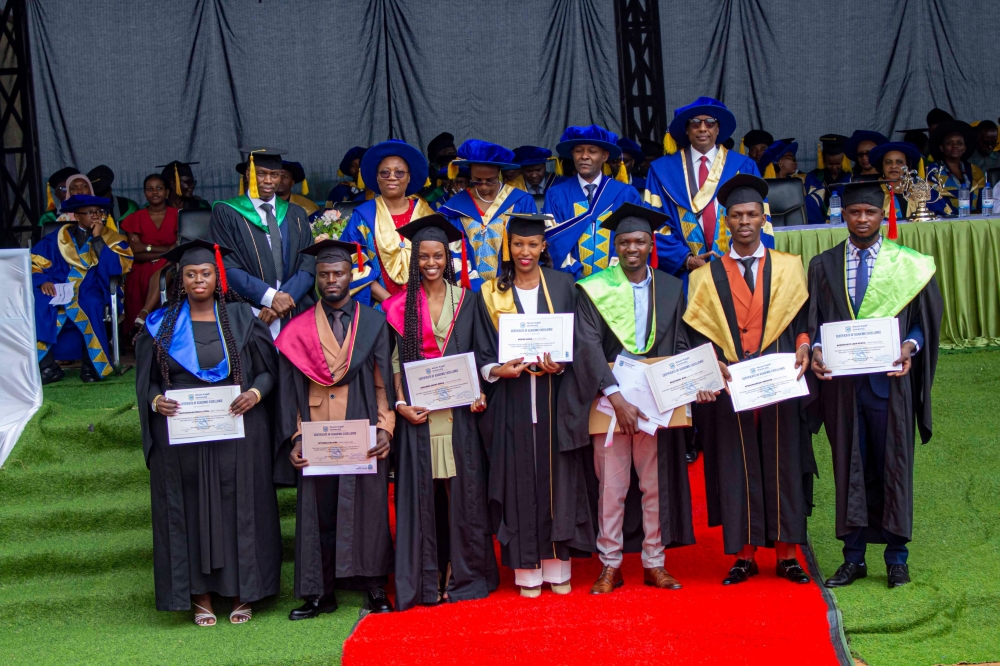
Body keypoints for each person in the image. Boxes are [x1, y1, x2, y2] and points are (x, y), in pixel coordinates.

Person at [135, 240, 281, 625]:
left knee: (239, 507)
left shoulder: (241, 318)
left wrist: (254, 392)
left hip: (237, 430)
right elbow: (147, 383)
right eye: (190, 274)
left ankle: (240, 592)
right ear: (180, 281)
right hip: (182, 436)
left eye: (205, 273)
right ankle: (198, 594)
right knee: (190, 509)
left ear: (218, 278)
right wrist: (155, 403)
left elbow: (268, 370)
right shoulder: (161, 325)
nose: (198, 279)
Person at [808, 181, 942, 589]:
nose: (862, 219)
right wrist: (815, 348)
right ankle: (853, 558)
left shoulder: (909, 265)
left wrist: (910, 345)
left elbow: (923, 321)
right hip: (843, 387)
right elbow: (811, 320)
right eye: (854, 212)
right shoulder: (823, 264)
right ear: (842, 216)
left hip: (890, 384)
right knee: (849, 465)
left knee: (893, 465)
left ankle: (896, 558)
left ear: (883, 214)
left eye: (870, 212)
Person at [557, 203, 695, 594]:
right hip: (607, 404)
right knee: (611, 489)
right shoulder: (594, 287)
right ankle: (610, 565)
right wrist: (616, 397)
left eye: (639, 241)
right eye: (624, 241)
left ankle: (654, 562)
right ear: (614, 245)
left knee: (654, 485)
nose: (631, 247)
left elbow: (681, 342)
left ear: (651, 244)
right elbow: (584, 345)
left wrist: (686, 378)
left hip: (655, 403)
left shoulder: (671, 287)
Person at [684, 175, 814, 585]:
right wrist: (711, 365)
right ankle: (744, 555)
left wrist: (806, 344)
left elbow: (804, 320)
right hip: (731, 384)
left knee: (784, 463)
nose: (744, 221)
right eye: (737, 215)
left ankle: (788, 555)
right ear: (726, 221)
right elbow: (695, 333)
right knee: (735, 466)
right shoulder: (703, 277)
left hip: (780, 380)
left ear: (764, 218)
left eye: (752, 214)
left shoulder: (790, 267)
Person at [274, 239, 396, 619]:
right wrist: (295, 437)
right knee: (319, 512)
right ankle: (319, 593)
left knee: (369, 508)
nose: (331, 281)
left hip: (362, 425)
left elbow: (383, 381)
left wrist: (385, 427)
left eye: (338, 273)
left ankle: (373, 586)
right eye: (324, 275)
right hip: (317, 431)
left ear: (351, 275)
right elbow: (291, 391)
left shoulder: (374, 322)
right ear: (316, 279)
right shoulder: (298, 330)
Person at [473, 213, 592, 598]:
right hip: (512, 402)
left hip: (556, 399)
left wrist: (563, 362)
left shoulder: (563, 285)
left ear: (544, 247)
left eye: (533, 244)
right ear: (509, 247)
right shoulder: (490, 292)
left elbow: (578, 340)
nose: (526, 252)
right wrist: (497, 370)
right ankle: (527, 570)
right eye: (519, 244)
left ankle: (559, 567)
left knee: (559, 479)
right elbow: (480, 349)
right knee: (519, 478)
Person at [383, 214, 496, 610]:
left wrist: (479, 393)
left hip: (460, 417)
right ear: (413, 261)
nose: (430, 263)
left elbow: (482, 352)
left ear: (447, 259)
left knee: (461, 497)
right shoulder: (399, 307)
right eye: (423, 257)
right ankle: (425, 579)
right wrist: (400, 405)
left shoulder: (467, 299)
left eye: (437, 256)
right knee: (424, 498)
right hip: (421, 416)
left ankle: (461, 575)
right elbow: (395, 363)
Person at [644, 96, 764, 275]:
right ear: (686, 130)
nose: (702, 128)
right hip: (685, 272)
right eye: (695, 123)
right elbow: (654, 224)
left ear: (718, 129)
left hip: (738, 266)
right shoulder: (662, 170)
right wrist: (685, 259)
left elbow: (760, 220)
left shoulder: (743, 166)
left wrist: (746, 260)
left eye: (710, 123)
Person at [210, 147, 317, 338]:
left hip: (294, 306)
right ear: (248, 175)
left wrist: (283, 301)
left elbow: (308, 264)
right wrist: (269, 297)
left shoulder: (296, 214)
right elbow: (227, 264)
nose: (268, 181)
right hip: (250, 308)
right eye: (261, 174)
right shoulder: (227, 212)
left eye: (275, 175)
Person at [32, 194, 132, 384]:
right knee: (39, 301)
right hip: (58, 286)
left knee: (91, 304)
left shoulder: (113, 239)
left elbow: (117, 268)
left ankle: (92, 366)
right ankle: (47, 367)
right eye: (89, 213)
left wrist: (98, 239)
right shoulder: (57, 239)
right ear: (76, 216)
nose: (95, 216)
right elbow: (34, 262)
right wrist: (43, 280)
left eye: (99, 212)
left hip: (93, 286)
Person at [339, 139, 435, 305]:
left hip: (425, 305)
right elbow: (350, 263)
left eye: (399, 173)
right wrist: (390, 302)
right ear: (377, 178)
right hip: (379, 308)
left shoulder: (426, 214)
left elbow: (441, 262)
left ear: (409, 177)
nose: (392, 177)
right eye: (385, 173)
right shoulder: (362, 217)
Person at [543, 125, 644, 278]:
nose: (584, 156)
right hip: (571, 285)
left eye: (592, 151)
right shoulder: (556, 195)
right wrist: (578, 277)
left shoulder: (625, 194)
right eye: (578, 151)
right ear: (572, 154)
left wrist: (610, 277)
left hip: (616, 284)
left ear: (605, 156)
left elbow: (633, 241)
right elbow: (553, 243)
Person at [438, 139, 538, 288]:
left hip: (513, 286)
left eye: (490, 180)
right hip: (469, 291)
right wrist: (475, 287)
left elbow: (531, 246)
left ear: (499, 173)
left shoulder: (521, 201)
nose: (484, 186)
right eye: (477, 180)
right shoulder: (454, 208)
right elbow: (452, 253)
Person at [121, 174, 178, 332]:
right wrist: (168, 250)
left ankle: (146, 312)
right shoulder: (135, 218)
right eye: (150, 189)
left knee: (166, 267)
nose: (155, 193)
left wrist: (147, 246)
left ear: (167, 192)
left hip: (172, 266)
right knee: (156, 267)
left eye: (159, 188)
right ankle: (140, 333)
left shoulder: (180, 215)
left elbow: (181, 249)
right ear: (145, 193)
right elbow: (134, 253)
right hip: (142, 267)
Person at [926, 120, 986, 215]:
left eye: (959, 143)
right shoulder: (932, 172)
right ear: (942, 148)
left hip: (975, 221)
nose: (955, 146)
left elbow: (983, 201)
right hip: (945, 222)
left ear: (964, 148)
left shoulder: (975, 171)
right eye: (950, 143)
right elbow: (933, 202)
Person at [804, 134, 852, 225]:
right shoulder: (814, 177)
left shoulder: (852, 177)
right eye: (830, 164)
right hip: (818, 224)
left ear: (844, 160)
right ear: (823, 160)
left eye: (838, 163)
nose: (834, 167)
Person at [868, 142, 923, 219]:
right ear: (882, 166)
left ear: (907, 166)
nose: (893, 166)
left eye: (899, 162)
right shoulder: (870, 193)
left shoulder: (921, 191)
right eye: (888, 162)